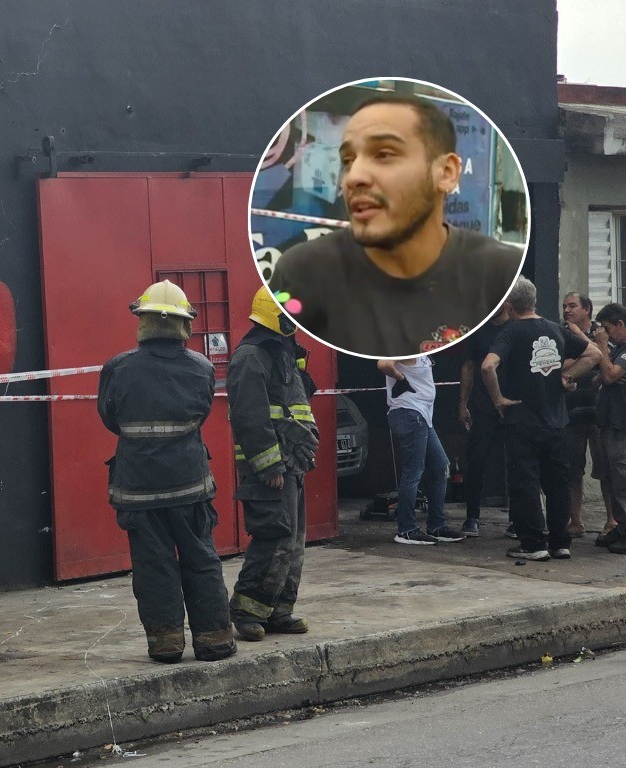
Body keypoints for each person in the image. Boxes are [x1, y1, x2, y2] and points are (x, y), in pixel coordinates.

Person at [268, 93, 521, 357]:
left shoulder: (500, 272)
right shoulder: (301, 273)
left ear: (446, 172)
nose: (353, 177)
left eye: (384, 154)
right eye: (348, 161)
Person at [97, 280, 236, 664]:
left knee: (153, 566)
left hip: (139, 489)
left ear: (142, 320)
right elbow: (202, 412)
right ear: (184, 323)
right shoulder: (202, 368)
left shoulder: (118, 368)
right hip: (189, 486)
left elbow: (110, 418)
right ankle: (215, 640)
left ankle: (166, 643)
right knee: (201, 560)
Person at [481, 276, 601, 561]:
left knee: (525, 483)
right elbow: (594, 353)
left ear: (509, 306)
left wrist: (498, 399)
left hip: (522, 421)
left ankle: (533, 543)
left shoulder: (510, 332)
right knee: (557, 483)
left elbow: (487, 366)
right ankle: (560, 542)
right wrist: (567, 376)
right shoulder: (555, 329)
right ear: (533, 301)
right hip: (556, 421)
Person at [226, 286, 318, 642]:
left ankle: (279, 610)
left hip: (292, 462)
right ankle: (247, 610)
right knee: (273, 536)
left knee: (293, 541)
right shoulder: (251, 355)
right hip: (271, 467)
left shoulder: (282, 352)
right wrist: (269, 466)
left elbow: (293, 408)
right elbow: (250, 417)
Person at [380, 355, 464, 544]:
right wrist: (401, 379)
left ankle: (436, 526)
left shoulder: (420, 351)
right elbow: (384, 364)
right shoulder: (404, 346)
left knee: (440, 466)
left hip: (422, 416)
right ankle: (406, 530)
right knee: (413, 471)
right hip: (410, 414)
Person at [457, 306, 509, 535]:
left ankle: (518, 518)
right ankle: (472, 517)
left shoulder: (516, 328)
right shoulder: (479, 331)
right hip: (483, 407)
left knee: (517, 461)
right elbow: (469, 366)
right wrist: (463, 404)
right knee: (476, 460)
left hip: (512, 406)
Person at [561, 292, 605, 538]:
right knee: (572, 469)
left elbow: (606, 359)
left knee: (606, 469)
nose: (567, 310)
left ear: (586, 309)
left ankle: (613, 521)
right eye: (564, 306)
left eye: (572, 306)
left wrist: (581, 341)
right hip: (572, 411)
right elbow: (559, 364)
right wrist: (587, 356)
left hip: (600, 412)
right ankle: (576, 520)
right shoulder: (560, 333)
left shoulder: (602, 331)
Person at [591, 302, 626, 554]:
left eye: (607, 328)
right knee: (613, 478)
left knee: (623, 478)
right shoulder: (618, 351)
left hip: (622, 424)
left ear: (620, 324)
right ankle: (622, 526)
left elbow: (610, 375)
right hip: (608, 422)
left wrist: (603, 347)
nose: (605, 334)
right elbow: (601, 378)